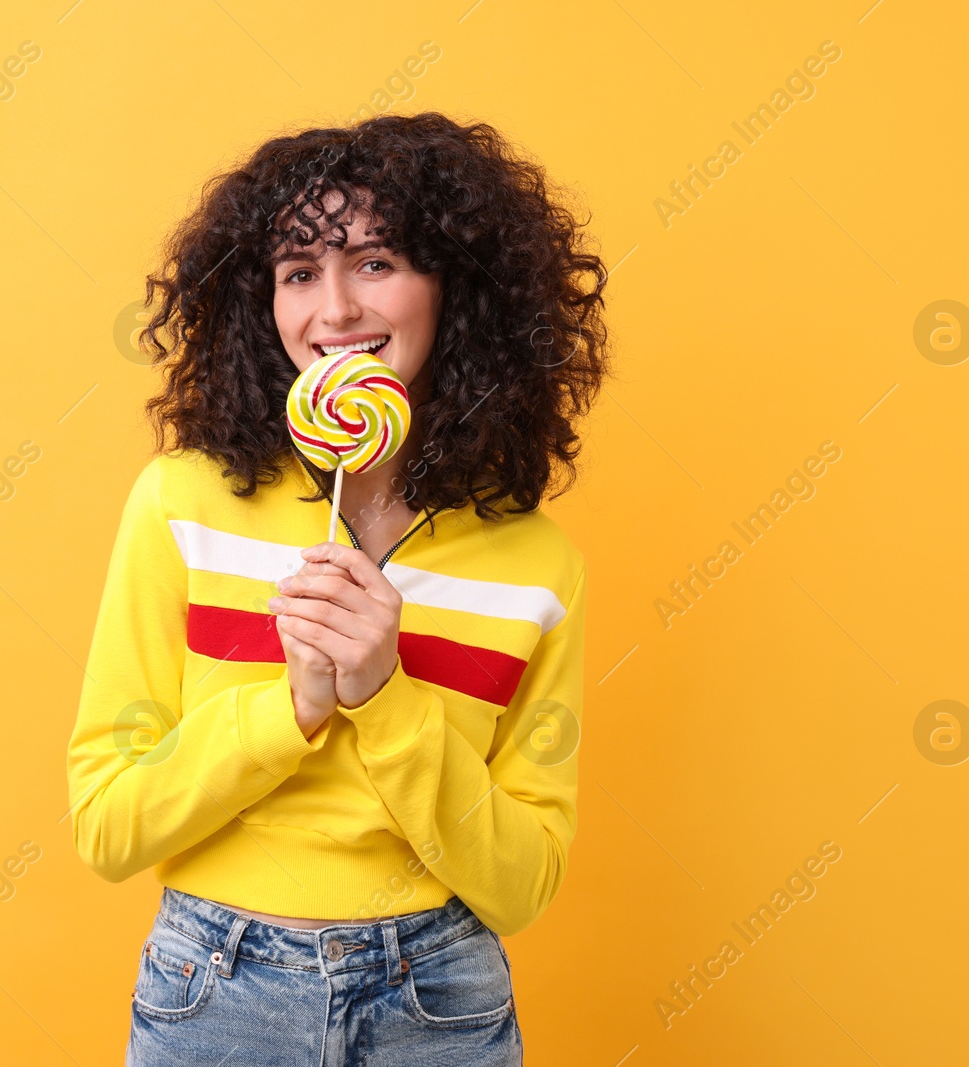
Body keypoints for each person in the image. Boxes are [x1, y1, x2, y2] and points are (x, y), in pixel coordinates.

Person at [67, 110, 612, 1066]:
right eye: (298, 272)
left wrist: (383, 699)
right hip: (217, 986)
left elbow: (523, 885)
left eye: (375, 262)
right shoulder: (182, 506)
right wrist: (295, 706)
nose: (334, 312)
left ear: (456, 290)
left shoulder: (535, 563)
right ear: (260, 303)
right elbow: (109, 826)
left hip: (439, 996)